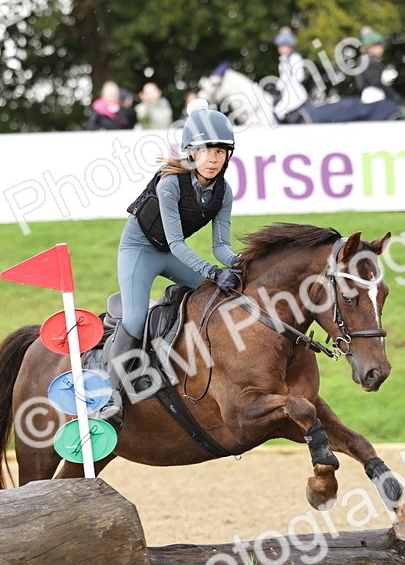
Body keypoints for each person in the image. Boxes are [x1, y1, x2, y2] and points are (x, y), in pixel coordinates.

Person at [107, 99, 242, 385]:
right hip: (139, 251)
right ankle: (111, 393)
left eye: (220, 151)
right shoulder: (169, 184)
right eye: (206, 151)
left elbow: (221, 246)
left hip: (169, 253)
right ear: (191, 153)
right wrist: (212, 272)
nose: (213, 158)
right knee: (134, 320)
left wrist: (241, 263)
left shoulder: (223, 192)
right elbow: (178, 243)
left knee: (213, 300)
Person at [273, 27, 309, 123]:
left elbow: (299, 76)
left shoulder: (295, 58)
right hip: (286, 93)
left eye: (283, 46)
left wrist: (284, 84)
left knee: (279, 111)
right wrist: (277, 88)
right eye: (280, 46)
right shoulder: (282, 61)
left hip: (295, 93)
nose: (281, 48)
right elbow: (282, 78)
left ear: (289, 46)